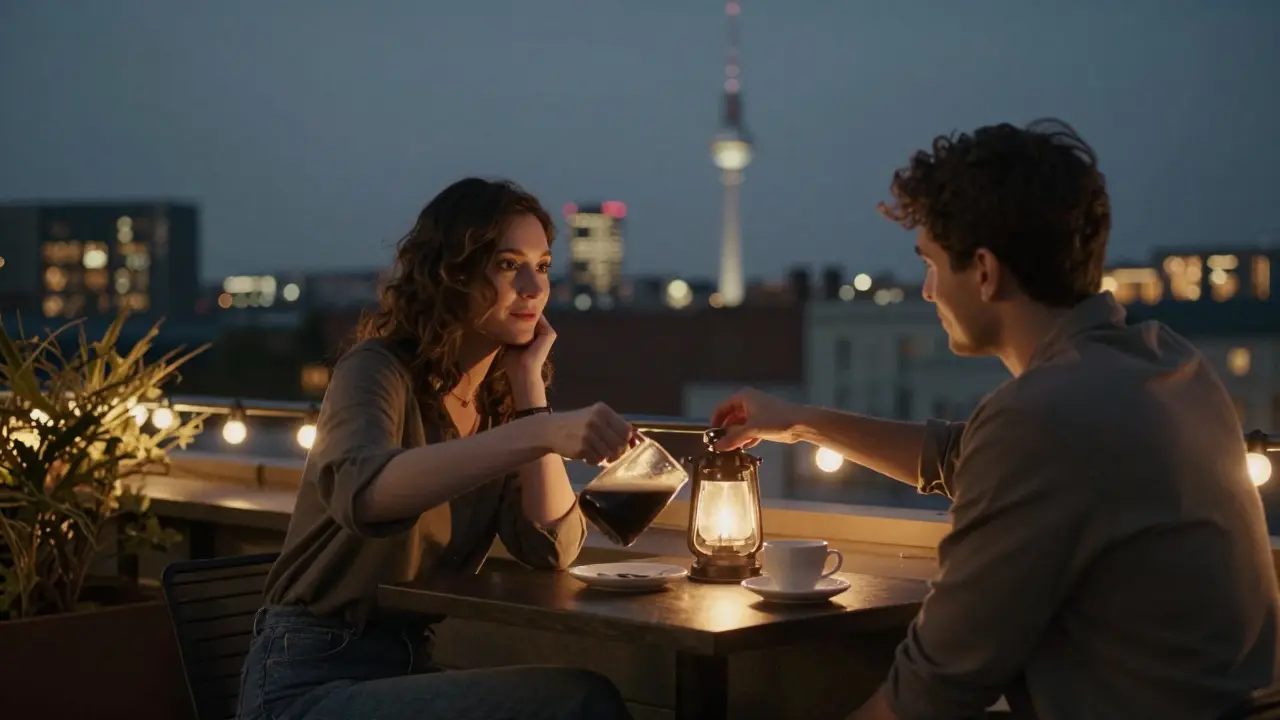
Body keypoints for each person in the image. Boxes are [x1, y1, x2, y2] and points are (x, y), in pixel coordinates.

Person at [712, 120, 1279, 719]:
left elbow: (927, 697)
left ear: (983, 271)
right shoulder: (1169, 364)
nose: (928, 292)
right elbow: (964, 457)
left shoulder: (1043, 417)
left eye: (931, 264)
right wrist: (799, 422)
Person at [237, 178, 635, 720]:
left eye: (541, 266)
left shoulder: (498, 406)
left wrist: (530, 391)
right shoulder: (375, 369)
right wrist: (539, 433)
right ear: (452, 272)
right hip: (307, 678)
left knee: (579, 697)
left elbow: (553, 549)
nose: (533, 287)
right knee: (578, 703)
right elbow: (367, 494)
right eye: (506, 264)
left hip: (405, 667)